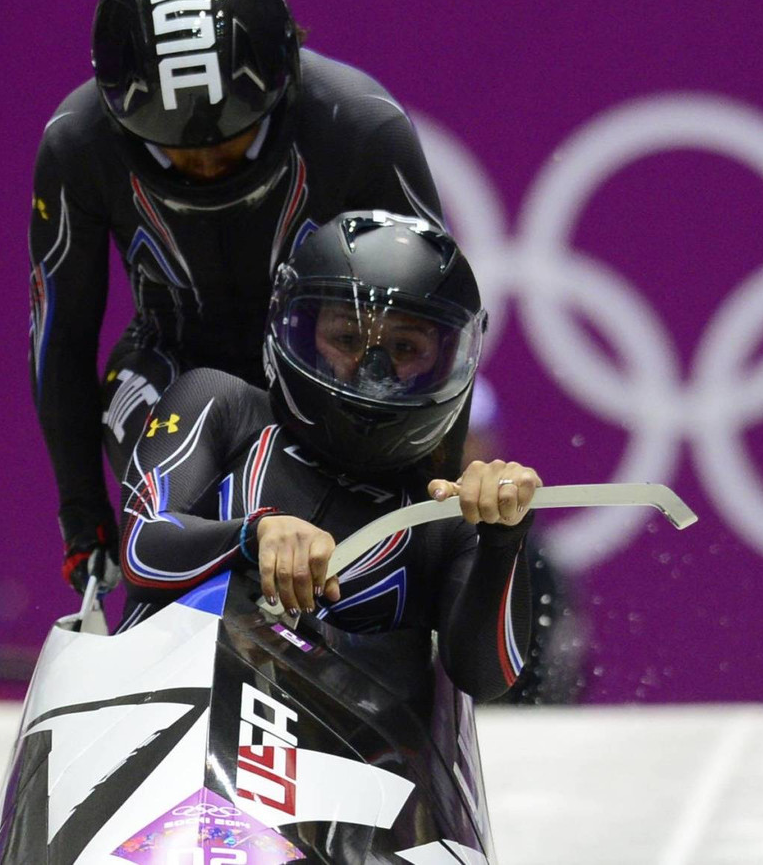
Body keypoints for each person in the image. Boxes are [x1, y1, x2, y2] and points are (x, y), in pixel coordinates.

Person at [27, 0, 447, 595]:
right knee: (168, 457)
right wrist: (84, 521)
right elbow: (63, 337)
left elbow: (434, 316)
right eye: (175, 147)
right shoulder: (77, 147)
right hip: (165, 370)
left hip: (323, 379)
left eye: (231, 136)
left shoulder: (362, 128)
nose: (204, 162)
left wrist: (432, 504)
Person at [114, 211, 535, 699]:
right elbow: (141, 548)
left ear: (446, 361)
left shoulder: (444, 516)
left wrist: (503, 542)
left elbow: (485, 679)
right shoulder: (219, 406)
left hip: (348, 765)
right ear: (300, 328)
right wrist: (254, 535)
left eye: (403, 347)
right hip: (165, 725)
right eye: (347, 340)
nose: (371, 372)